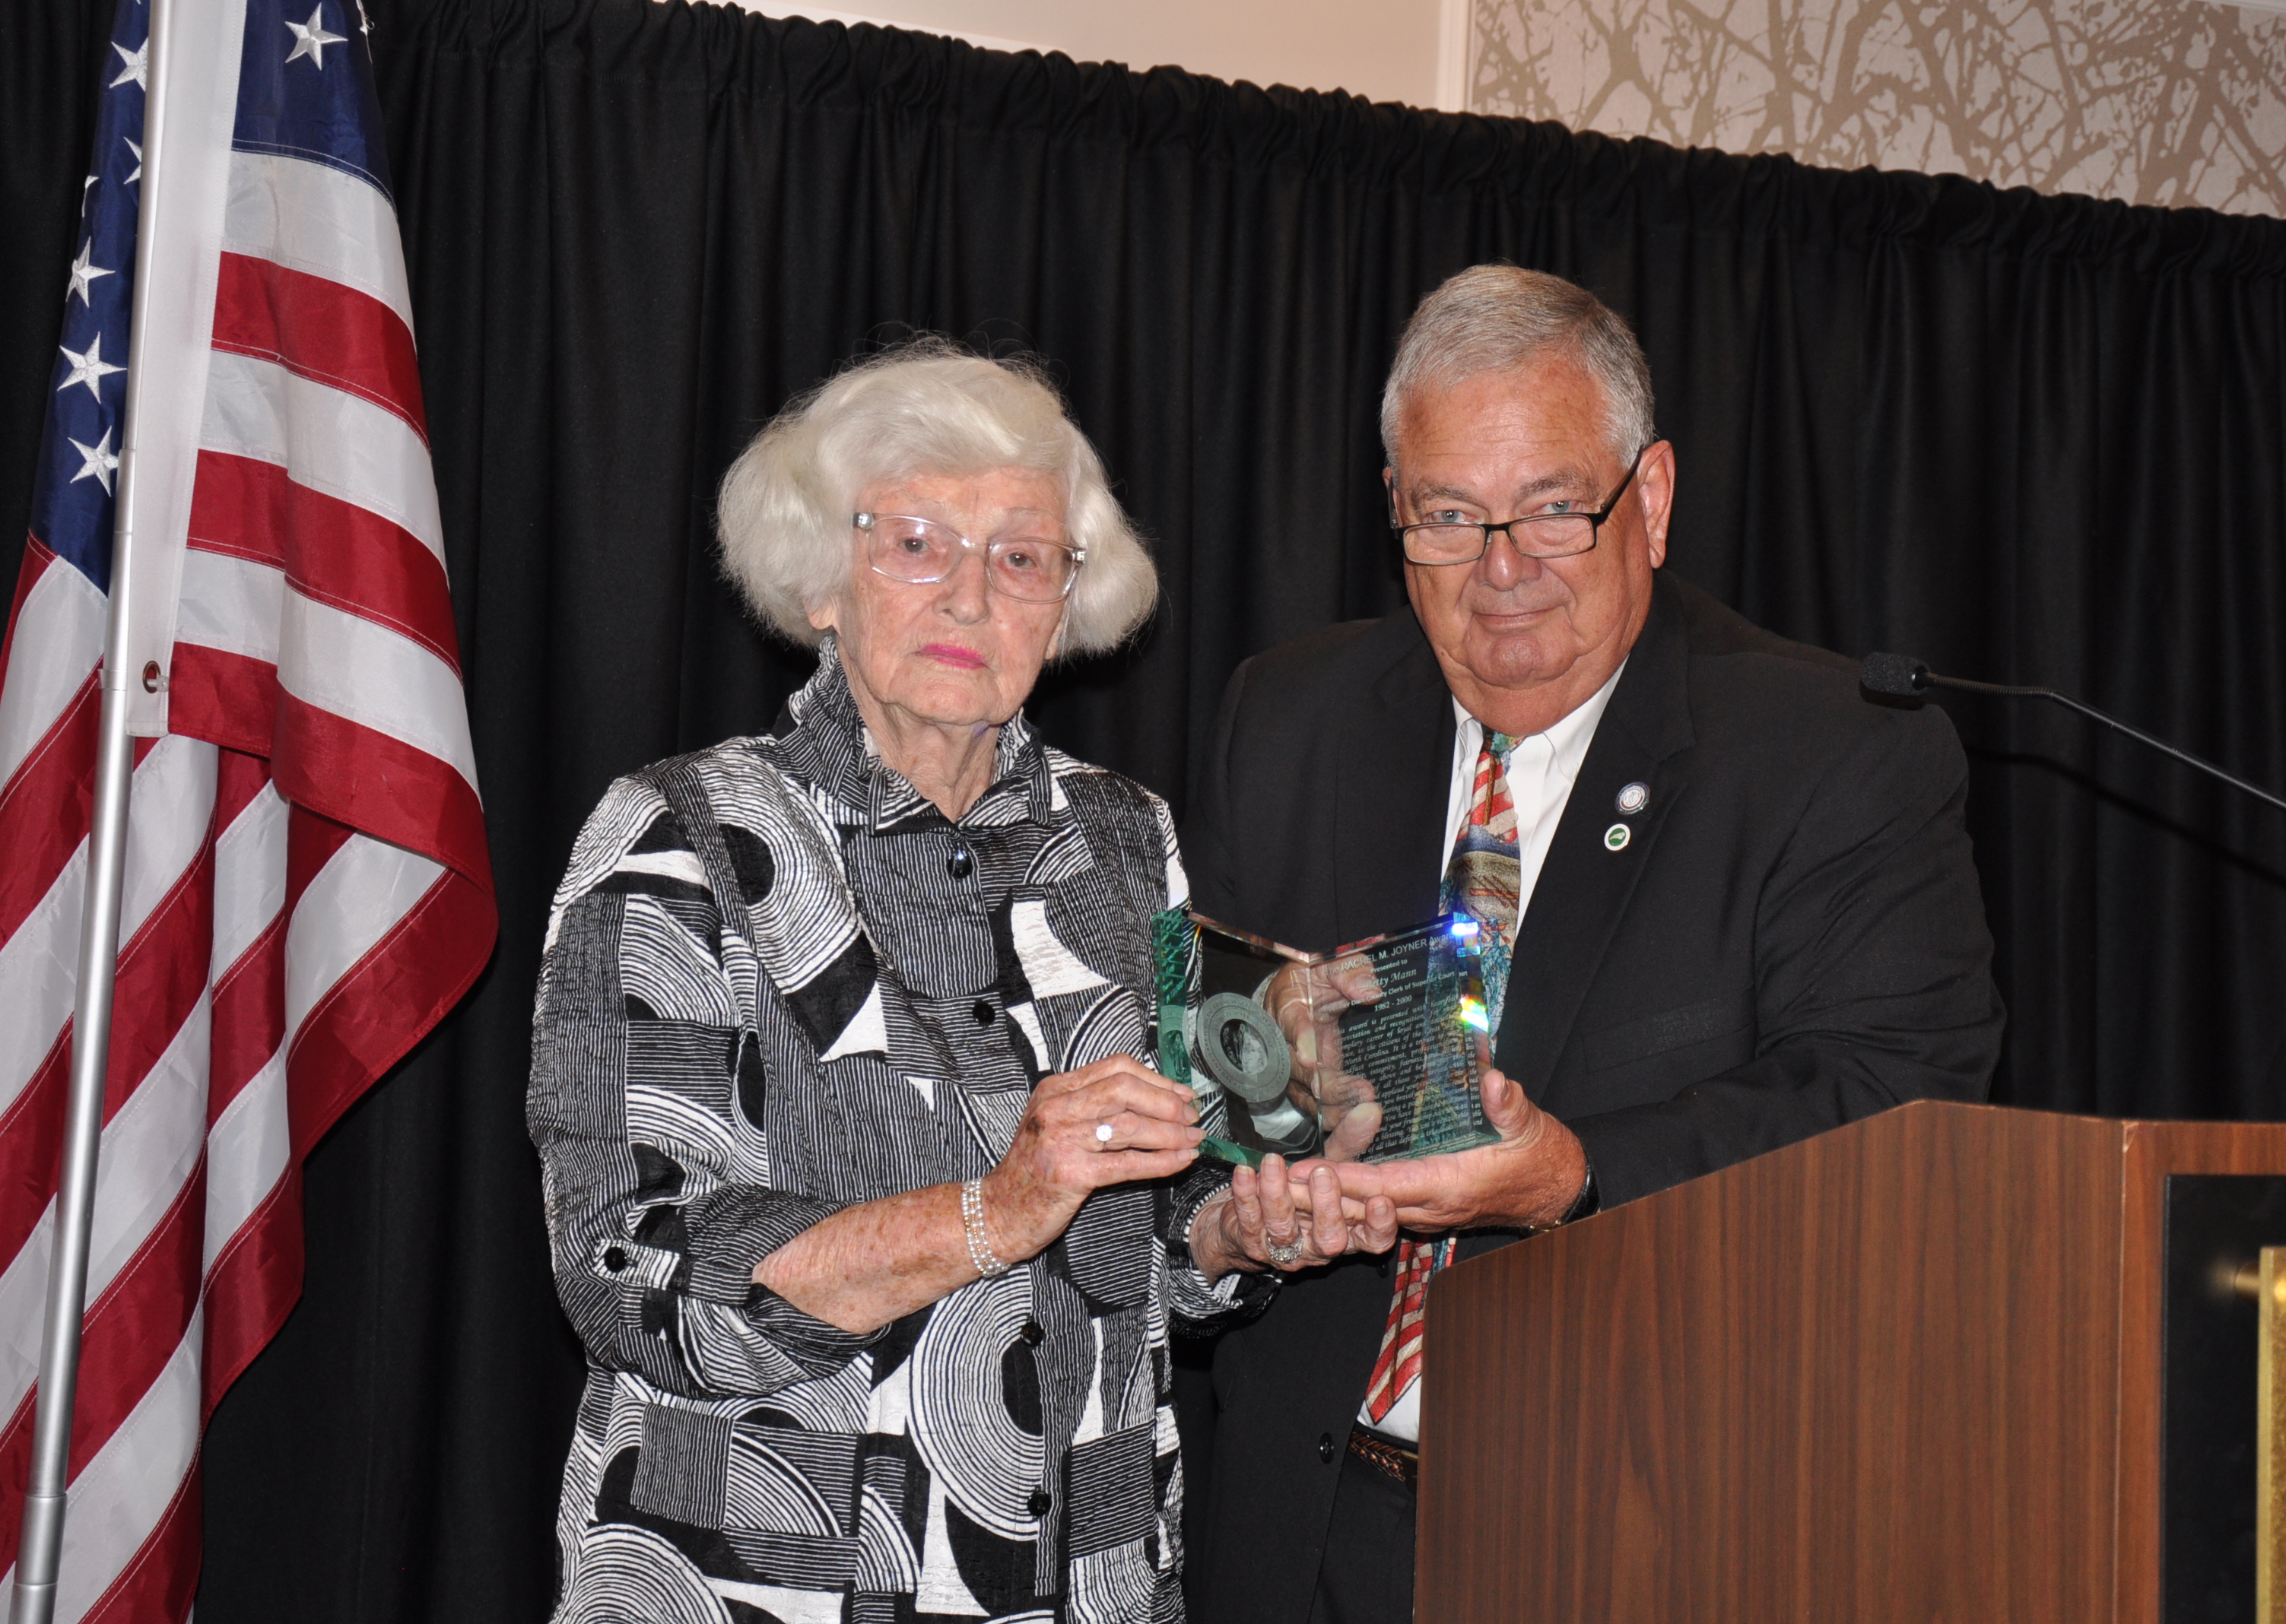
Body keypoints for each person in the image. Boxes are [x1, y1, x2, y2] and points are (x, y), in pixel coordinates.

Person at [1180, 266, 2005, 1623]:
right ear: (1396, 512)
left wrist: (1579, 1175)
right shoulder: (1288, 719)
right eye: (1449, 517)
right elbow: (1215, 1082)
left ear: (1654, 498)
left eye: (1556, 508)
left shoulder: (1833, 755)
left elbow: (1897, 1106)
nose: (1501, 569)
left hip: (1638, 1537)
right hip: (1298, 1530)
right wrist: (1231, 1219)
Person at [528, 342, 1391, 1624]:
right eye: (919, 543)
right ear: (824, 576)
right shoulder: (682, 839)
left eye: (1022, 558)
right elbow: (632, 1269)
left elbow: (1141, 1243)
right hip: (765, 1580)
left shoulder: (1123, 843)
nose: (973, 597)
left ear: (1067, 602)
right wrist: (994, 1209)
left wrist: (1244, 1224)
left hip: (1081, 1582)